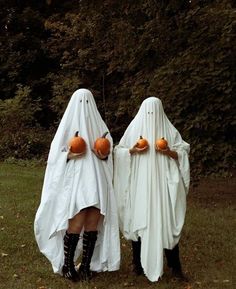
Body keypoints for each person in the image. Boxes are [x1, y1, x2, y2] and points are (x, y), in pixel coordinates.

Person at [34, 88, 120, 282]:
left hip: (97, 182)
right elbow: (56, 154)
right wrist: (69, 155)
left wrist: (104, 155)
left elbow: (108, 149)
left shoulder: (99, 126)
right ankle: (68, 266)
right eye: (81, 102)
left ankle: (87, 266)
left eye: (88, 101)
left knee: (93, 222)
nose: (85, 106)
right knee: (77, 219)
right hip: (77, 183)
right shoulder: (67, 126)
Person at [114, 97, 190, 282]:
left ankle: (175, 267)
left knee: (166, 220)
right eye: (148, 112)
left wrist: (168, 152)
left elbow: (182, 151)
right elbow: (119, 150)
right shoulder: (133, 129)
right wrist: (133, 150)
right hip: (140, 184)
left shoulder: (169, 131)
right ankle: (137, 264)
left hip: (163, 186)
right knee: (139, 219)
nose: (151, 116)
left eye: (155, 112)